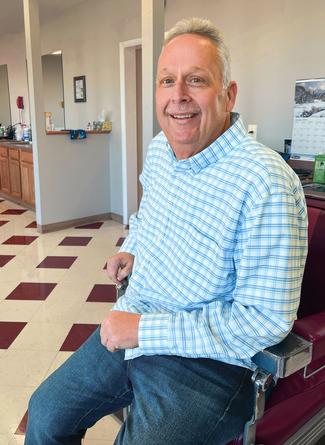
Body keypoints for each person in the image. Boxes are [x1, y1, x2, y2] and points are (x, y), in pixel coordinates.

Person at [25, 17, 308, 445]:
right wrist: (132, 248)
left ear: (228, 95)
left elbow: (263, 320)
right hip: (137, 323)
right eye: (166, 81)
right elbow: (147, 218)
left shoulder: (265, 182)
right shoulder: (161, 149)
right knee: (45, 411)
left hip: (211, 365)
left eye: (196, 80)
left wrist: (141, 330)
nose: (178, 96)